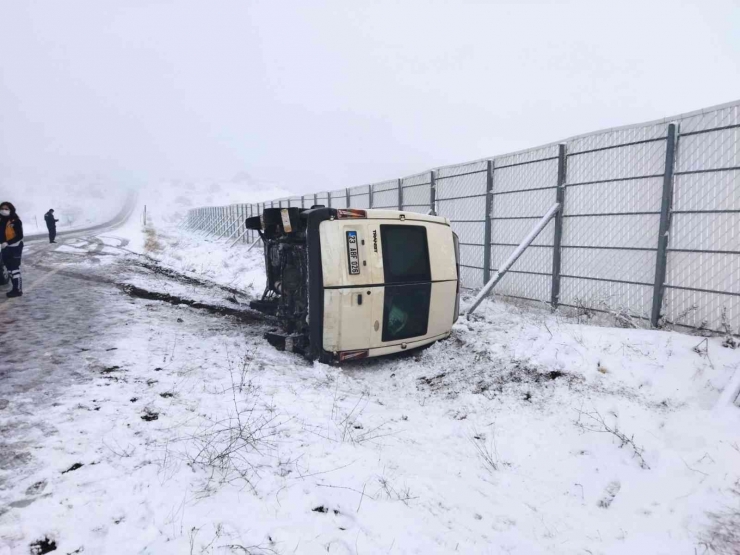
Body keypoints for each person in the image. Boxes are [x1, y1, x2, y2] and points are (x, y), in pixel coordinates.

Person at [0, 202, 24, 298]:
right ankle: (14, 288)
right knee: (9, 269)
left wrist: (8, 243)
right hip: (5, 248)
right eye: (2, 208)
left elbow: (20, 236)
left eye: (6, 209)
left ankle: (18, 290)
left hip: (15, 247)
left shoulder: (16, 221)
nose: (4, 210)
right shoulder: (1, 221)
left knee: (14, 269)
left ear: (11, 209)